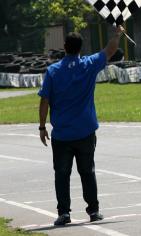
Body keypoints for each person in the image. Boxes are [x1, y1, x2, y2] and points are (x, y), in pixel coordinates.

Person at [38, 25, 124, 226]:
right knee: (87, 172)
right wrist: (117, 34)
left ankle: (64, 213)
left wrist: (42, 127)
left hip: (62, 134)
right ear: (80, 48)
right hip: (85, 130)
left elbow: (44, 101)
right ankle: (93, 211)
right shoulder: (89, 64)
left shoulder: (53, 71)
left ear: (65, 47)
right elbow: (110, 51)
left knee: (62, 174)